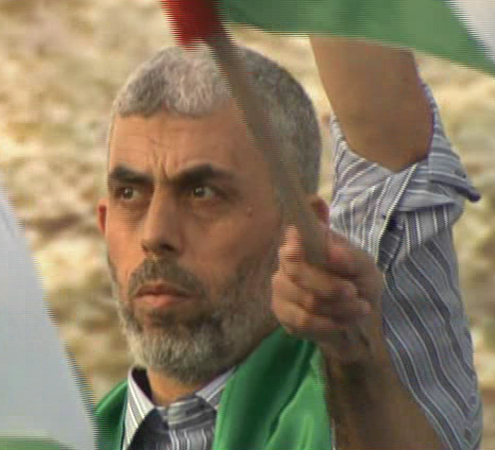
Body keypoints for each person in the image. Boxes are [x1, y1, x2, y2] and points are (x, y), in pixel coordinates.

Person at [93, 37, 482, 450]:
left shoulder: (377, 368)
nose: (155, 235)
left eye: (202, 193)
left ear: (301, 230)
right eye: (129, 194)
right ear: (103, 222)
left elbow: (388, 138)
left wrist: (357, 364)